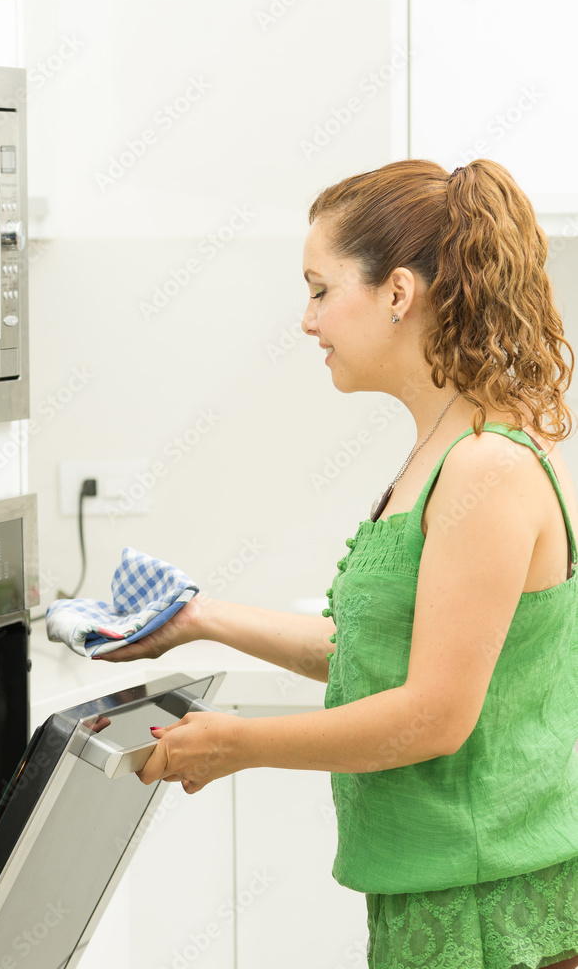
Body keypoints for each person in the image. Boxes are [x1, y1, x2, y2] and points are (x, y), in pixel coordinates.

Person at [99, 158, 578, 969]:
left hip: (492, 907)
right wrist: (200, 619)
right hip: (444, 886)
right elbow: (382, 655)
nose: (308, 321)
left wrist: (237, 744)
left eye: (321, 290)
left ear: (398, 294)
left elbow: (434, 714)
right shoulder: (443, 454)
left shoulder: (485, 468)